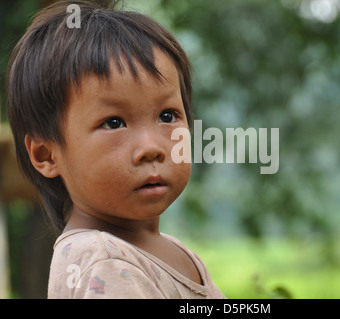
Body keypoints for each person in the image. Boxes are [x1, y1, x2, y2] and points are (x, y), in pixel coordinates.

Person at [6, 0, 225, 299]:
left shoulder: (165, 249)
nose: (151, 148)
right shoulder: (104, 263)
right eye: (114, 122)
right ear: (46, 154)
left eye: (167, 116)